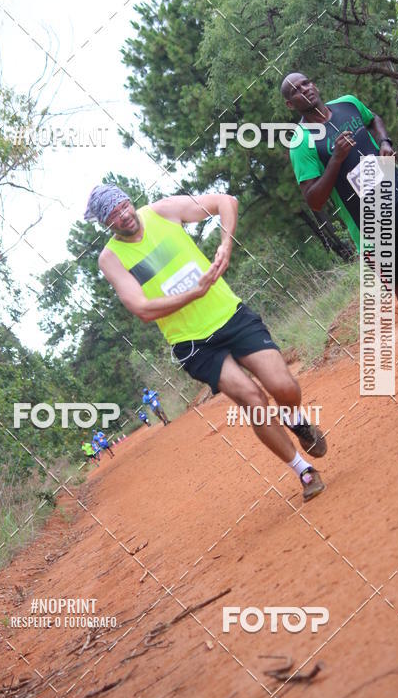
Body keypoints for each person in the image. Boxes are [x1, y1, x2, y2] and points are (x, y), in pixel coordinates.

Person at [84, 183, 327, 502]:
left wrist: (226, 243)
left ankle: (296, 420)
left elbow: (226, 201)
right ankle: (302, 469)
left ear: (130, 201)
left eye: (123, 207)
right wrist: (193, 295)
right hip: (193, 343)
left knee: (283, 386)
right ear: (106, 225)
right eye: (114, 216)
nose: (124, 216)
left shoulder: (163, 211)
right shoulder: (111, 258)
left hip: (230, 314)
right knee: (252, 400)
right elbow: (141, 308)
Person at [282, 73, 398, 382]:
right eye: (296, 91)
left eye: (306, 83)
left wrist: (384, 142)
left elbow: (373, 119)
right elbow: (314, 199)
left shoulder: (347, 104)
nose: (305, 89)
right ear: (291, 104)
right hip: (366, 222)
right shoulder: (301, 142)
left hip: (395, 193)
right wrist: (336, 160)